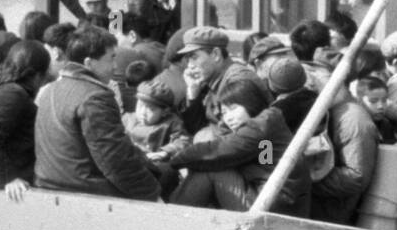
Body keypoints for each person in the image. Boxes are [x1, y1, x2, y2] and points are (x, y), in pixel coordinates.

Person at [34, 25, 163, 201]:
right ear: (89, 63)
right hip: (84, 191)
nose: (116, 67)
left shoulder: (50, 90)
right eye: (111, 58)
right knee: (165, 175)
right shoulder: (95, 97)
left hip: (49, 183)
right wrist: (153, 193)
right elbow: (115, 161)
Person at [169, 79, 311, 216]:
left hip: (273, 208)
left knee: (210, 169)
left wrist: (174, 160)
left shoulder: (264, 125)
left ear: (250, 103)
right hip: (269, 199)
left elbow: (218, 149)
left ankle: (171, 220)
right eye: (224, 113)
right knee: (207, 165)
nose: (228, 117)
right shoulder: (264, 135)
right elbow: (264, 163)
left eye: (233, 109)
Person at [0, 41, 51, 201]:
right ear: (37, 76)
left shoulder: (3, 88)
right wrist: (7, 177)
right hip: (10, 188)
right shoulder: (12, 94)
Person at [177, 26, 268, 138]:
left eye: (194, 57)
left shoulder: (238, 81)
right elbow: (195, 128)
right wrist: (193, 93)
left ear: (216, 55)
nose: (189, 66)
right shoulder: (211, 79)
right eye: (188, 59)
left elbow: (242, 137)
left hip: (263, 151)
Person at [310, 83, 380, 225]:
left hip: (326, 211)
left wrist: (302, 178)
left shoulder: (268, 119)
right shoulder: (271, 118)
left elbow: (356, 177)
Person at [122, 78, 191, 164]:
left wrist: (165, 152)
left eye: (151, 109)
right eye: (140, 105)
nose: (143, 112)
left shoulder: (171, 123)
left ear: (165, 112)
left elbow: (183, 141)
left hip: (154, 163)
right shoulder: (127, 119)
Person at [354, 76, 397, 143]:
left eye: (384, 101)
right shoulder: (357, 125)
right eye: (373, 101)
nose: (381, 106)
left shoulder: (385, 124)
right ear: (360, 101)